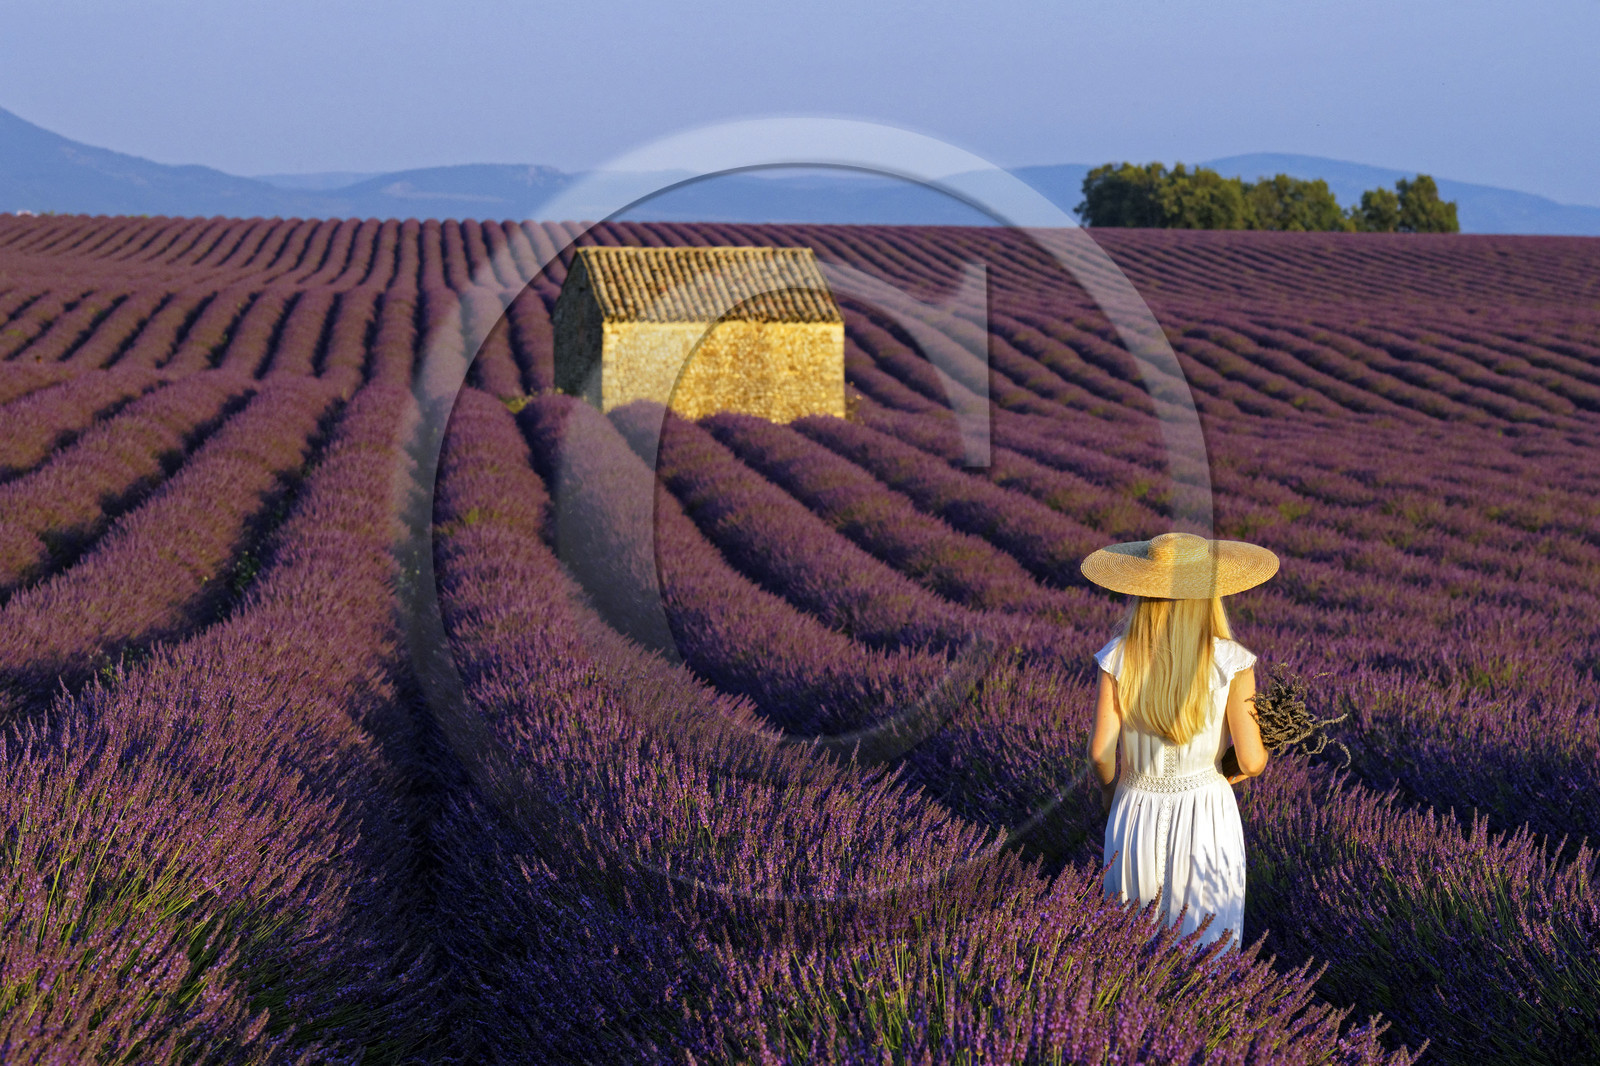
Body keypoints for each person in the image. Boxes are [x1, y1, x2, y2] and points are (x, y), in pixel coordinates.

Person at [1081, 531, 1280, 952]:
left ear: (1144, 593)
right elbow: (1251, 759)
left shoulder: (1118, 655)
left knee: (1129, 947)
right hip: (1207, 812)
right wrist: (1248, 758)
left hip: (1134, 807)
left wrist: (1109, 792)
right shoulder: (1230, 660)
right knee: (1208, 951)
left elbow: (1100, 752)